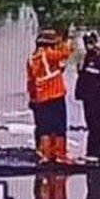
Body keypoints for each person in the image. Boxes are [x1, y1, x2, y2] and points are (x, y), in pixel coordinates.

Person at [27, 28, 74, 164]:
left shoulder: (31, 59)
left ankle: (45, 155)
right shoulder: (49, 54)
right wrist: (68, 40)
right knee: (59, 127)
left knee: (45, 127)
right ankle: (60, 155)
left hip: (41, 96)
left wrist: (32, 98)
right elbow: (65, 53)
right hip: (56, 94)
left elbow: (30, 81)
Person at [75, 32, 100, 164]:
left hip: (97, 94)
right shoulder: (87, 56)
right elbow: (83, 74)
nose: (88, 45)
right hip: (88, 94)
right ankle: (91, 152)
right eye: (86, 43)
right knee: (90, 122)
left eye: (91, 42)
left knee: (98, 123)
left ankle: (99, 152)